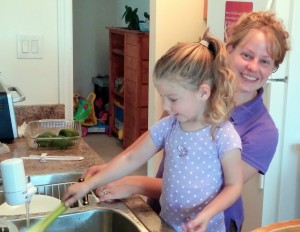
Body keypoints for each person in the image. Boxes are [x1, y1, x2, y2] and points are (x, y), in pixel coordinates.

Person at [80, 11, 290, 232]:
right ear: (229, 49)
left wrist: (134, 183)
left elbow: (211, 190)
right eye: (247, 55)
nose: (253, 67)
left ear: (273, 67)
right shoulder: (190, 92)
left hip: (205, 223)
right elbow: (153, 138)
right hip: (165, 207)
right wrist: (109, 169)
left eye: (265, 61)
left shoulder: (264, 132)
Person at [63, 34, 243, 232]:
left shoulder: (223, 135)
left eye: (173, 99)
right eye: (162, 97)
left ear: (203, 92)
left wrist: (207, 214)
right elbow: (131, 157)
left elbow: (233, 186)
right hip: (166, 224)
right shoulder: (169, 126)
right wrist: (88, 185)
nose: (165, 106)